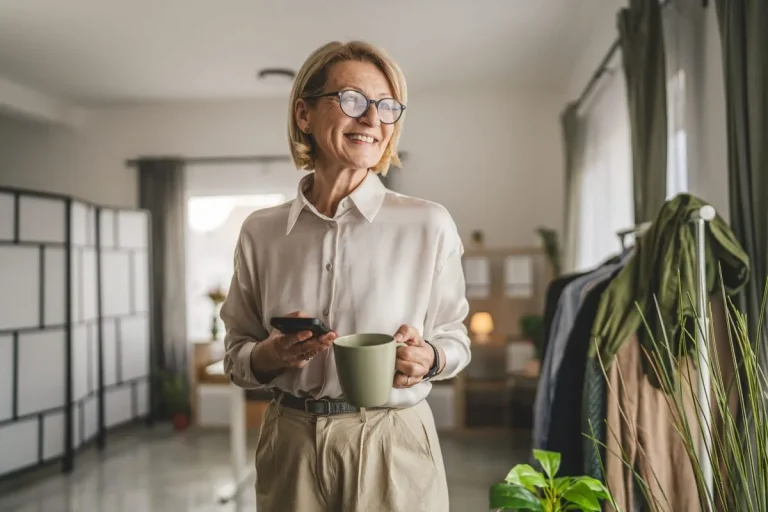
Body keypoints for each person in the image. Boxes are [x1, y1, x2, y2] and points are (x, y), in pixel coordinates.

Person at [220, 40, 471, 512]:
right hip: (289, 444)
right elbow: (236, 355)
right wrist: (268, 356)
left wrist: (430, 358)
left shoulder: (429, 223)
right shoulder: (260, 231)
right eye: (353, 100)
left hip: (392, 443)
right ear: (304, 115)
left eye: (387, 106)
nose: (373, 119)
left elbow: (455, 339)